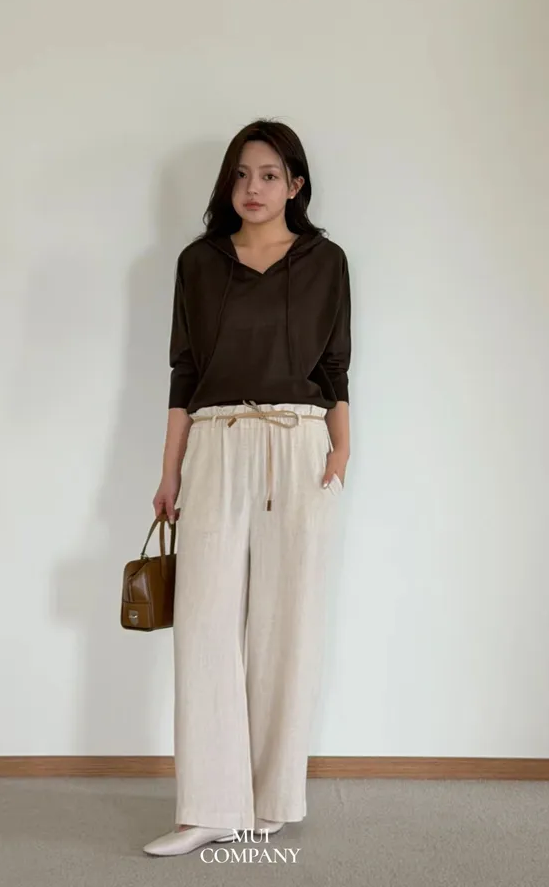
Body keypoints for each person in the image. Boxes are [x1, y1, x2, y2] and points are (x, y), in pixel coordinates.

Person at [143, 119, 352, 857]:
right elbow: (184, 372)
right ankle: (208, 805)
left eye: (268, 175)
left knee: (287, 623)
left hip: (300, 443)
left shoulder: (326, 261)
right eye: (240, 174)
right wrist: (169, 468)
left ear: (295, 184)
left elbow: (335, 367)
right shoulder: (198, 263)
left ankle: (270, 800)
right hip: (216, 439)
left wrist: (343, 448)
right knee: (204, 622)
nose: (252, 188)